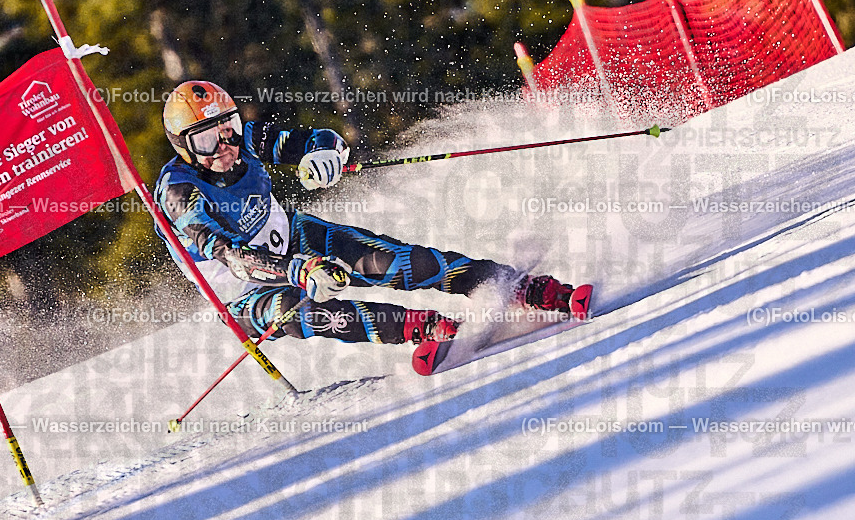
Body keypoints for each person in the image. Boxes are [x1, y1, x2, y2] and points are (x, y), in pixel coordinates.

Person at [153, 81, 579, 358]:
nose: (224, 145)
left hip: (294, 237)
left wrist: (324, 154)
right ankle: (424, 328)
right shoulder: (179, 193)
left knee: (392, 262)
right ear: (183, 146)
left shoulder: (244, 140)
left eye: (227, 127)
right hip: (244, 293)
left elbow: (319, 138)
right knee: (304, 312)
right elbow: (231, 257)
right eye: (206, 139)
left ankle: (510, 285)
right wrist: (297, 271)